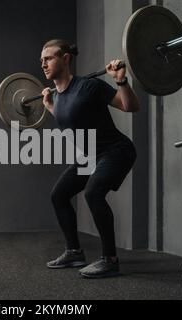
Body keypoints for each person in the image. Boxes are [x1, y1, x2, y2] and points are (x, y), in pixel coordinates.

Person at [41, 39, 140, 278]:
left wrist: (121, 80)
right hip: (91, 157)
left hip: (116, 151)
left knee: (93, 193)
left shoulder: (89, 86)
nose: (43, 64)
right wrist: (48, 105)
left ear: (65, 59)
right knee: (59, 195)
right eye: (41, 60)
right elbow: (69, 118)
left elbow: (130, 106)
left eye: (49, 58)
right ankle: (74, 252)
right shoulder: (58, 97)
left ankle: (110, 259)